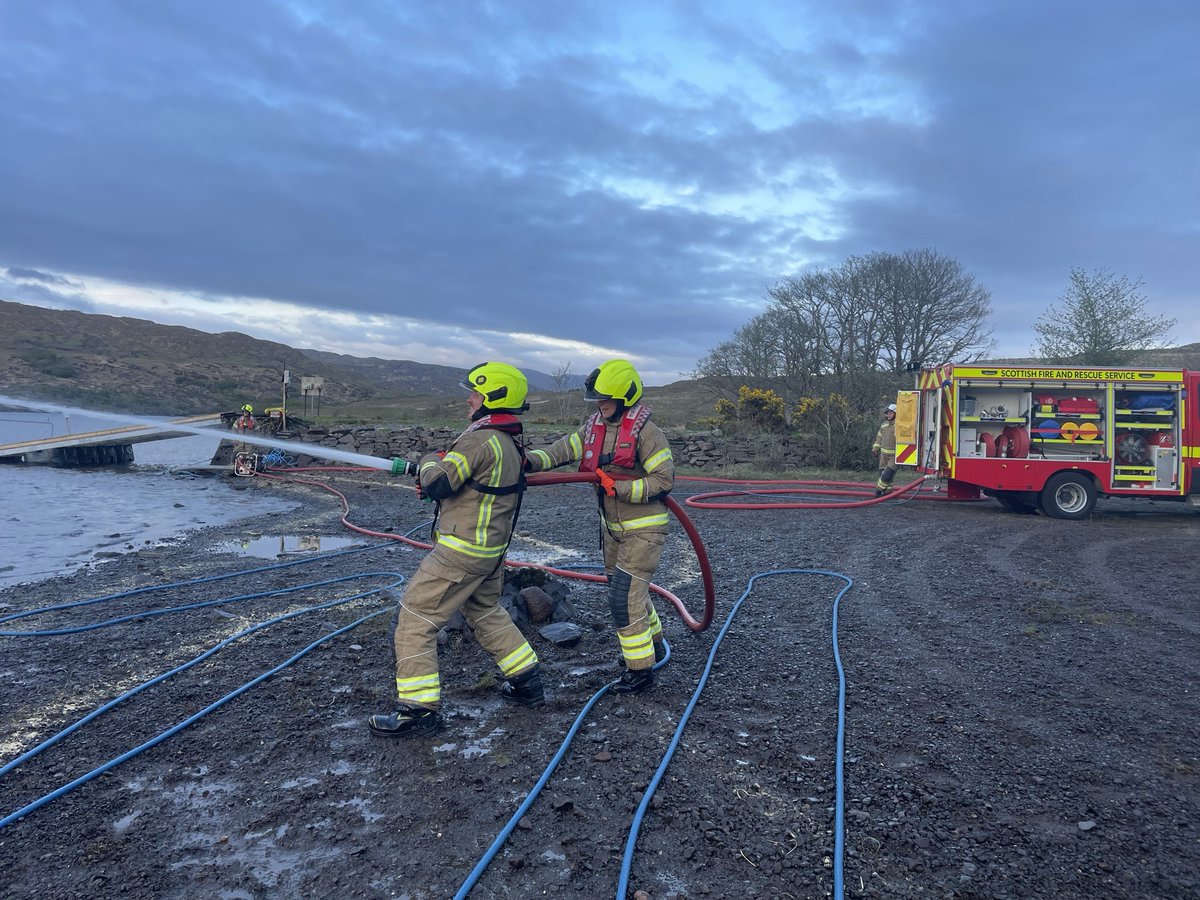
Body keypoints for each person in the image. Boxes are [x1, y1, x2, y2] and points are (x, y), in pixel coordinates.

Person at [369, 362, 544, 738]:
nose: (468, 399)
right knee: (485, 612)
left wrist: (430, 460)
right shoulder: (508, 439)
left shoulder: (479, 440)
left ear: (492, 398)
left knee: (414, 621)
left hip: (460, 552)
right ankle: (528, 682)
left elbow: (440, 484)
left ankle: (418, 711)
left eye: (475, 393)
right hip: (489, 551)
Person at [524, 359, 673, 694]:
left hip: (643, 530)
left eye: (605, 398)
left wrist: (618, 488)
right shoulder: (595, 427)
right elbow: (564, 449)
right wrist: (530, 461)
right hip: (612, 530)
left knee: (623, 598)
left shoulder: (648, 434)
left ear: (625, 397)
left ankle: (641, 672)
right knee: (630, 592)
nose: (599, 404)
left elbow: (664, 481)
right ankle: (656, 644)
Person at [872, 402, 897, 497]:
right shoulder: (884, 425)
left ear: (895, 413)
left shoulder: (899, 425)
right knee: (882, 474)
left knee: (887, 475)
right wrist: (875, 448)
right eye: (887, 413)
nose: (888, 415)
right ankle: (887, 492)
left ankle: (878, 491)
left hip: (894, 456)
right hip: (883, 455)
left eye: (890, 413)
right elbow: (879, 438)